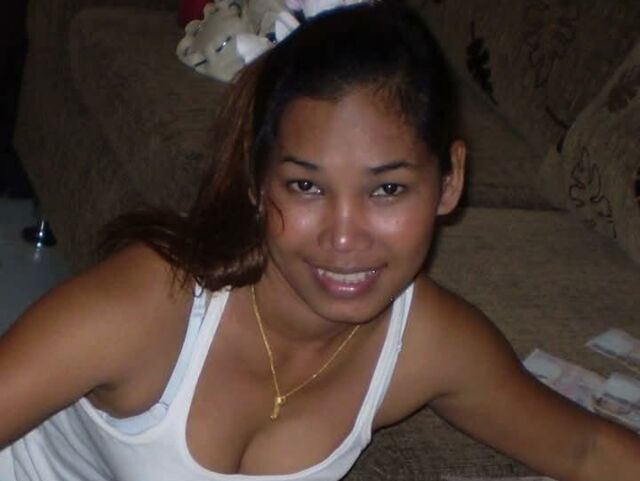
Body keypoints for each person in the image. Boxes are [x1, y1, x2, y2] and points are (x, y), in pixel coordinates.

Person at [0, 2, 638, 480]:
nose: (344, 236)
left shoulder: (427, 345)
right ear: (257, 182)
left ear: (449, 182)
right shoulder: (152, 303)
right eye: (306, 186)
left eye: (387, 190)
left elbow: (586, 450)